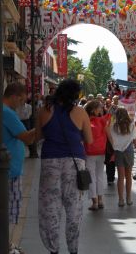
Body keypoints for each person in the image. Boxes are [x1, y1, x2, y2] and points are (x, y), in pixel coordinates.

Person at [36, 79, 92, 254]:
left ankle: (53, 249)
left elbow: (37, 136)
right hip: (74, 163)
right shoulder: (81, 112)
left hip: (49, 162)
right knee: (74, 207)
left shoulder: (44, 111)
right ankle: (73, 249)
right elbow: (89, 140)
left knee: (50, 208)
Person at [0, 83, 35, 254]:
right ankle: (6, 245)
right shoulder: (6, 113)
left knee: (3, 208)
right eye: (21, 100)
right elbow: (27, 138)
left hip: (5, 168)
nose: (21, 104)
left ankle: (7, 244)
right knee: (10, 209)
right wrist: (43, 127)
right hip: (10, 170)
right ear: (14, 96)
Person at [84, 99, 111, 210]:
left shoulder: (85, 121)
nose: (102, 108)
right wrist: (114, 148)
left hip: (89, 152)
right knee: (99, 176)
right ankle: (100, 200)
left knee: (92, 176)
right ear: (94, 109)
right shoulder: (103, 120)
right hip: (101, 151)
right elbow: (109, 135)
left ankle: (94, 202)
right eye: (100, 107)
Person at [109, 106, 136, 207]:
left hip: (118, 151)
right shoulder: (131, 124)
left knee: (120, 176)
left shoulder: (113, 126)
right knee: (128, 175)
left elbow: (111, 138)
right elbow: (134, 138)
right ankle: (129, 198)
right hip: (128, 150)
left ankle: (121, 199)